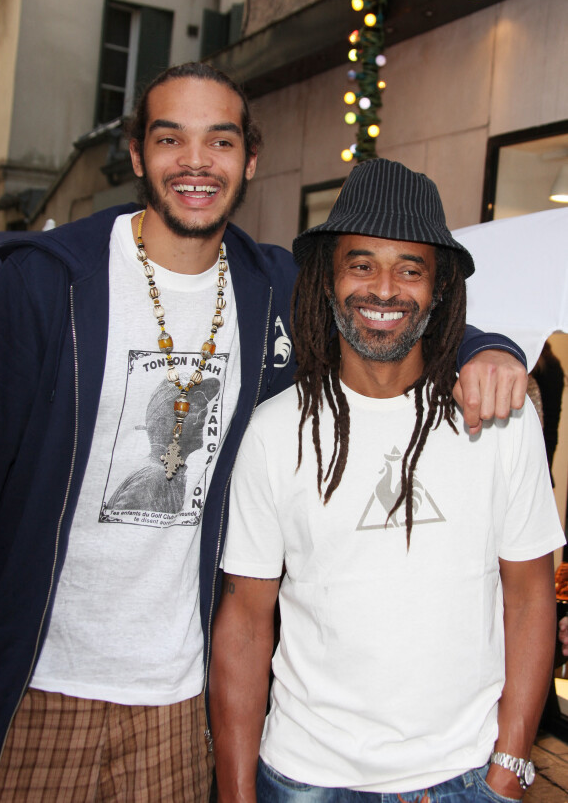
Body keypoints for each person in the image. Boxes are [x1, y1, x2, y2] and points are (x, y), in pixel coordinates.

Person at [0, 64, 527, 801]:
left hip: (178, 701)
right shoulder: (46, 283)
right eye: (170, 137)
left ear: (249, 160)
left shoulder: (269, 290)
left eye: (221, 139)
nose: (197, 161)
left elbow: (387, 312)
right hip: (33, 683)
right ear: (138, 154)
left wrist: (485, 349)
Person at [210, 159, 564, 802]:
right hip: (304, 778)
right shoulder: (273, 430)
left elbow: (531, 597)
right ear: (327, 278)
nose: (384, 289)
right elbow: (244, 620)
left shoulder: (500, 424)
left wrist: (510, 764)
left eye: (410, 269)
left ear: (439, 289)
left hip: (465, 775)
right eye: (362, 263)